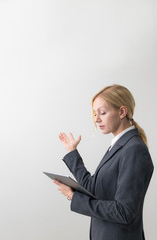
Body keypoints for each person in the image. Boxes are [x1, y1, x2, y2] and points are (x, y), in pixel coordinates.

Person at [54, 84, 153, 240]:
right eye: (94, 114)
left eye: (102, 113)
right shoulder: (118, 146)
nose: (96, 119)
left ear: (122, 112)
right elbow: (94, 189)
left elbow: (124, 211)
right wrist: (72, 153)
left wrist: (74, 198)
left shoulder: (133, 149)